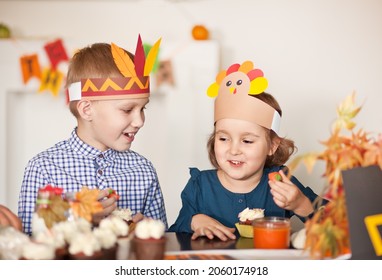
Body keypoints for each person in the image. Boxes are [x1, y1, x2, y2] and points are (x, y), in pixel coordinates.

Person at [18, 36, 167, 235]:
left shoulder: (143, 170)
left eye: (142, 108)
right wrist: (76, 218)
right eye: (127, 109)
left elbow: (162, 242)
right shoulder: (44, 169)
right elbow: (28, 243)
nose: (139, 121)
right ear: (86, 109)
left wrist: (147, 231)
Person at [168, 60, 326, 241]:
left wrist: (302, 205)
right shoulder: (199, 185)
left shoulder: (281, 181)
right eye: (223, 138)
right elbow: (174, 231)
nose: (234, 150)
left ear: (272, 146)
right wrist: (194, 220)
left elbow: (337, 224)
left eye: (247, 140)